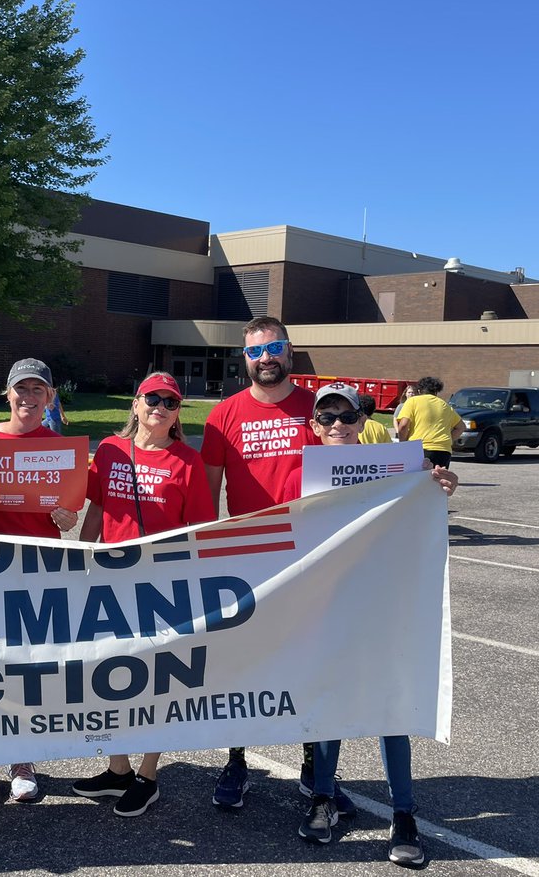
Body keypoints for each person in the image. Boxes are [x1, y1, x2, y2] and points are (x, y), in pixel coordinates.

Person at [292, 382, 456, 868]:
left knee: (391, 709)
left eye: (348, 415)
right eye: (328, 417)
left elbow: (429, 504)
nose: (338, 424)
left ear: (364, 421)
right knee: (328, 703)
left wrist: (441, 484)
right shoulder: (302, 471)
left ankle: (404, 813)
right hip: (325, 607)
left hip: (385, 606)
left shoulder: (397, 468)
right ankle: (323, 796)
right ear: (314, 425)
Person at [200, 317, 349, 813]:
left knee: (310, 661)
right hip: (248, 560)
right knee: (245, 664)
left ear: (290, 351)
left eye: (275, 347)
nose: (266, 358)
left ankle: (313, 762)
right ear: (244, 357)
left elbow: (363, 469)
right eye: (256, 351)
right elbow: (209, 493)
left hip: (312, 555)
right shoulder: (223, 415)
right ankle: (237, 760)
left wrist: (425, 479)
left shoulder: (321, 408)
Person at [70, 372, 214, 817]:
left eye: (171, 402)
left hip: (161, 587)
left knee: (155, 685)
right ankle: (118, 770)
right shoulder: (111, 450)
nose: (160, 407)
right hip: (109, 583)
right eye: (153, 398)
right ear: (135, 404)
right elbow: (96, 509)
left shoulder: (187, 462)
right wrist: (77, 562)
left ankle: (148, 775)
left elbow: (198, 533)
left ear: (177, 415)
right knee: (108, 676)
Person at [0, 358, 80, 808]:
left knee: (29, 666)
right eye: (20, 389)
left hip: (37, 568)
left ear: (49, 398)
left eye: (37, 390)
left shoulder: (58, 447)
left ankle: (23, 758)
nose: (28, 398)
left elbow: (66, 509)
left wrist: (67, 517)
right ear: (6, 394)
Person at [395, 377, 463, 467]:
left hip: (420, 449)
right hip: (444, 451)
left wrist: (403, 444)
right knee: (438, 480)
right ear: (436, 392)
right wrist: (449, 439)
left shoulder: (413, 401)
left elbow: (403, 426)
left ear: (419, 391)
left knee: (417, 480)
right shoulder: (445, 406)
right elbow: (461, 427)